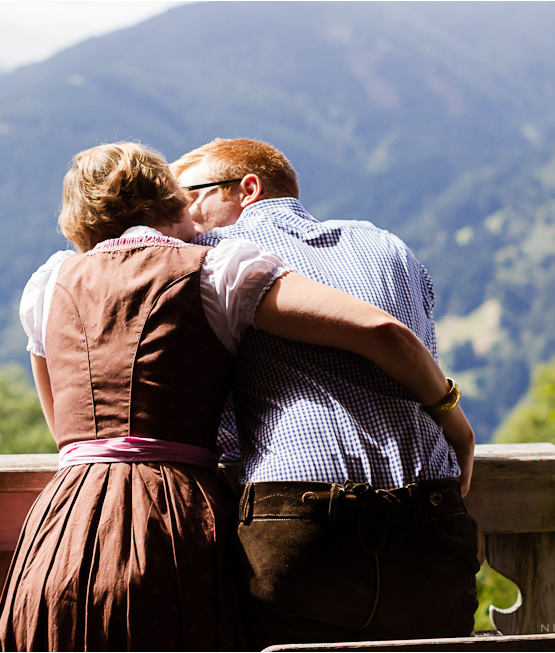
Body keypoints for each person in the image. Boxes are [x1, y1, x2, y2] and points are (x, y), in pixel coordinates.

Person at [0, 141, 466, 652]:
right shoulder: (217, 269)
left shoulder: (47, 284)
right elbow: (378, 329)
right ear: (170, 200)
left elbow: (64, 430)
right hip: (173, 515)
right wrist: (454, 425)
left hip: (69, 519)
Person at [170, 138, 479, 647]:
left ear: (248, 188)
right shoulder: (385, 243)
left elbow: (210, 417)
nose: (185, 218)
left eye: (191, 198)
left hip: (303, 521)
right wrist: (454, 423)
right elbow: (420, 347)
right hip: (432, 514)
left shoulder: (214, 258)